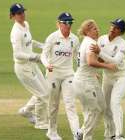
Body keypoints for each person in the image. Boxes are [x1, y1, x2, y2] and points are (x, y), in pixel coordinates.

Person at [73, 19, 117, 140]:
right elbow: (91, 61)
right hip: (84, 82)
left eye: (97, 28)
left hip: (90, 79)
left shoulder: (89, 42)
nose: (97, 31)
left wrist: (106, 58)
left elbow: (91, 61)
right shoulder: (90, 43)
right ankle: (86, 137)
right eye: (94, 29)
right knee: (93, 111)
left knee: (102, 107)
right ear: (87, 31)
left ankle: (80, 133)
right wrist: (108, 66)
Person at [41, 12, 82, 140]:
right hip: (53, 74)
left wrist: (85, 71)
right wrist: (47, 64)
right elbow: (43, 54)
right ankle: (52, 132)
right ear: (59, 23)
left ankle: (76, 133)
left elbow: (78, 57)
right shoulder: (52, 37)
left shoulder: (74, 39)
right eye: (65, 23)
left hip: (68, 74)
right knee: (53, 105)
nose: (68, 25)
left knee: (70, 104)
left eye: (70, 23)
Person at [9, 3, 49, 129]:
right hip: (23, 68)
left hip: (32, 65)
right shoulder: (15, 32)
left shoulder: (26, 25)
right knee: (42, 94)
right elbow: (18, 54)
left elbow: (28, 42)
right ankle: (40, 122)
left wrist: (43, 46)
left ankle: (26, 111)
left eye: (23, 12)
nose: (22, 15)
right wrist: (35, 57)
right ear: (13, 16)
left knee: (46, 91)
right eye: (19, 13)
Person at [90, 18, 125, 140]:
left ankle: (119, 135)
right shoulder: (102, 39)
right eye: (112, 26)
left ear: (121, 32)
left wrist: (100, 52)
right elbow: (96, 59)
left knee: (115, 102)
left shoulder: (123, 44)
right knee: (105, 106)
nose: (113, 29)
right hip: (107, 77)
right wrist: (93, 72)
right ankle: (110, 134)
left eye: (117, 28)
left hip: (122, 76)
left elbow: (115, 62)